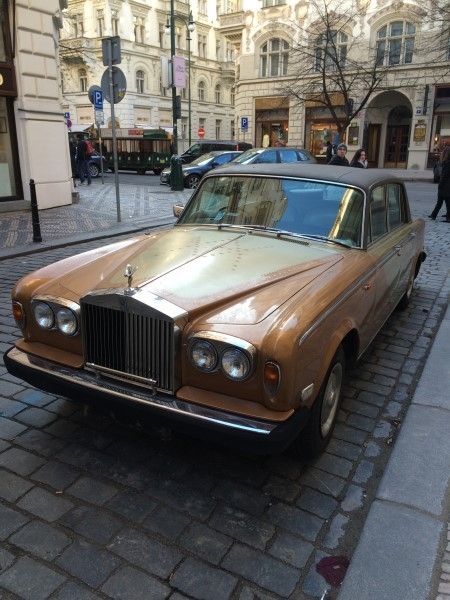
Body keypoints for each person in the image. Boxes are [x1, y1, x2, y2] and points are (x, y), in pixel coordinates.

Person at [429, 146, 450, 222]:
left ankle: (448, 217)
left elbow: (445, 175)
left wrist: (440, 184)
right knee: (441, 200)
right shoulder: (446, 163)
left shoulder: (447, 163)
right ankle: (434, 214)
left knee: (446, 201)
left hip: (446, 185)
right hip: (446, 185)